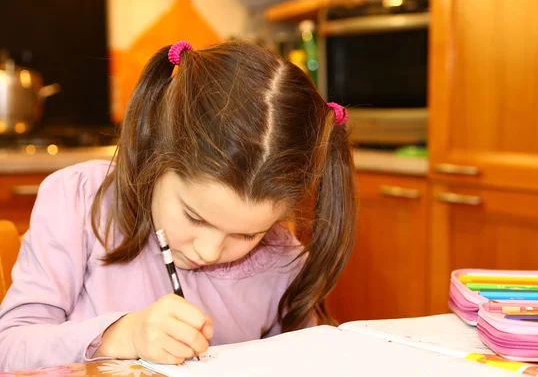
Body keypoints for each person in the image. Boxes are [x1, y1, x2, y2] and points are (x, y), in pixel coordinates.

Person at [0, 39, 357, 371]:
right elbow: (9, 347)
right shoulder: (79, 202)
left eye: (248, 234)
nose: (210, 250)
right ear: (155, 154)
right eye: (194, 217)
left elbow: (307, 360)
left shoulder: (280, 257)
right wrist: (122, 334)